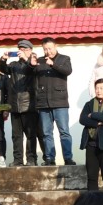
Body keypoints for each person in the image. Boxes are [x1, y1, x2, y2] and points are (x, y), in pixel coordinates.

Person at [31, 39, 75, 168]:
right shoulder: (39, 61)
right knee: (46, 133)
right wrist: (31, 65)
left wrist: (53, 64)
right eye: (45, 49)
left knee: (64, 132)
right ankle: (50, 158)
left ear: (56, 46)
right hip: (43, 103)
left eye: (50, 48)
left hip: (60, 101)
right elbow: (31, 74)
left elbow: (68, 71)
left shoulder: (64, 59)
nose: (47, 51)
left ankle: (68, 158)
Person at [2, 40, 40, 167]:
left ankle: (31, 159)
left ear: (30, 50)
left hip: (29, 104)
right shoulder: (13, 65)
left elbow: (32, 70)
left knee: (30, 135)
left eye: (25, 49)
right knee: (16, 136)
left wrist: (26, 59)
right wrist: (3, 59)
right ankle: (18, 159)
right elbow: (3, 69)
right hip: (15, 105)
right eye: (20, 49)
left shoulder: (34, 61)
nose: (22, 51)